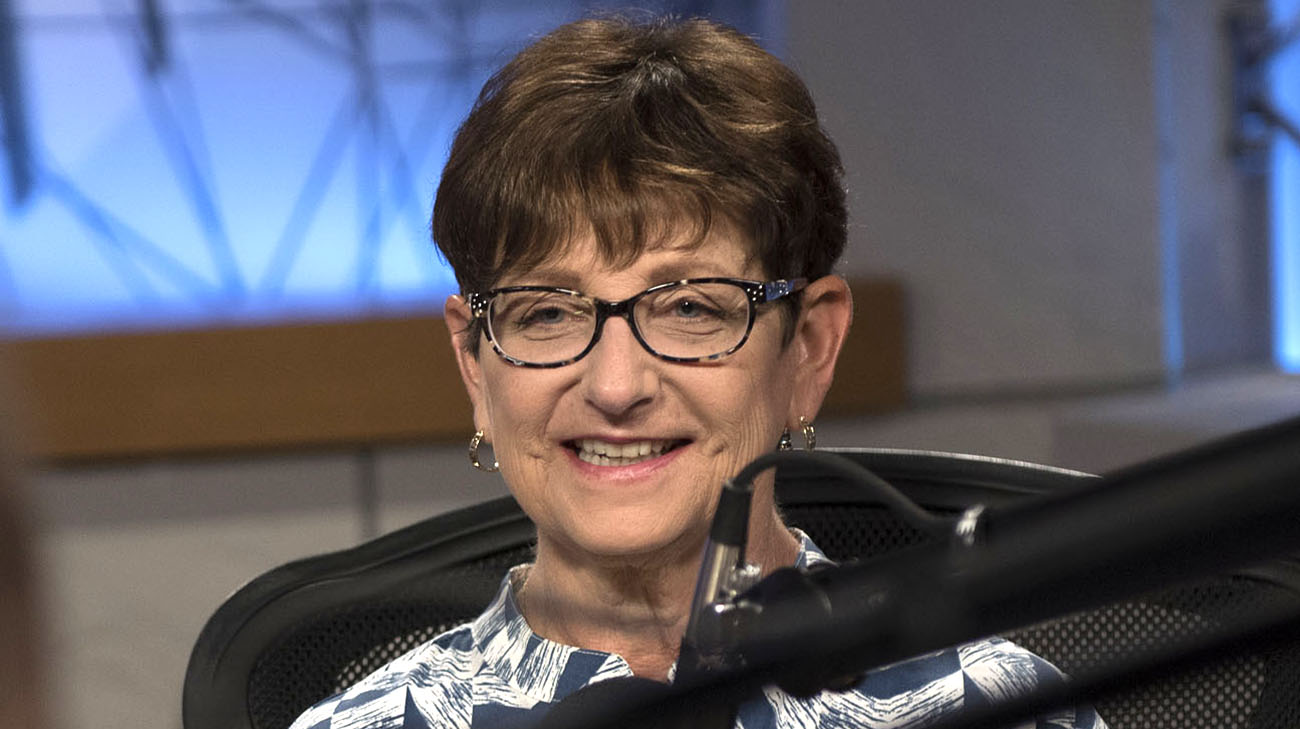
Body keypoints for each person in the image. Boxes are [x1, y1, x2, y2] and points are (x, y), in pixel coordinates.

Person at [291, 15, 1104, 729]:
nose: (616, 387)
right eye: (546, 313)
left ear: (809, 348)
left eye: (688, 308)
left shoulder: (995, 708)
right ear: (475, 365)